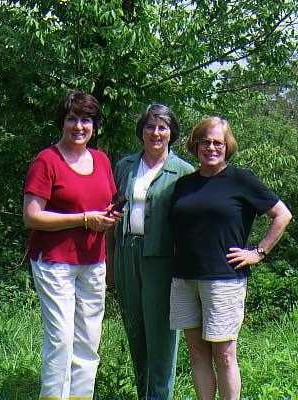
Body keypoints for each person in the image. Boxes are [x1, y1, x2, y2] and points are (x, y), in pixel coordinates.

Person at [169, 116, 292, 400]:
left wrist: (258, 252)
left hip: (224, 279)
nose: (211, 148)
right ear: (195, 144)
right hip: (185, 278)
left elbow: (282, 215)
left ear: (227, 146)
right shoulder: (184, 184)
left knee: (224, 354)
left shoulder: (241, 179)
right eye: (205, 142)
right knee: (197, 353)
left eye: (217, 143)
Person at [23, 91, 119, 400]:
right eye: (72, 119)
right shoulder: (46, 160)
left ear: (94, 125)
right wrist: (82, 219)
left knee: (88, 340)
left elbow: (107, 207)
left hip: (94, 260)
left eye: (86, 120)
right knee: (61, 339)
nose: (79, 126)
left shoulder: (102, 160)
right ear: (62, 122)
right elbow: (32, 217)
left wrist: (107, 219)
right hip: (54, 262)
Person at [107, 104, 194, 400]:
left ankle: (158, 396)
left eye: (162, 127)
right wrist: (109, 263)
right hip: (126, 254)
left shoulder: (183, 172)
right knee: (135, 329)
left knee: (162, 335)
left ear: (172, 133)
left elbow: (191, 226)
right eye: (150, 127)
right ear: (141, 131)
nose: (156, 133)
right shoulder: (125, 166)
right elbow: (111, 215)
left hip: (162, 260)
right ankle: (142, 392)